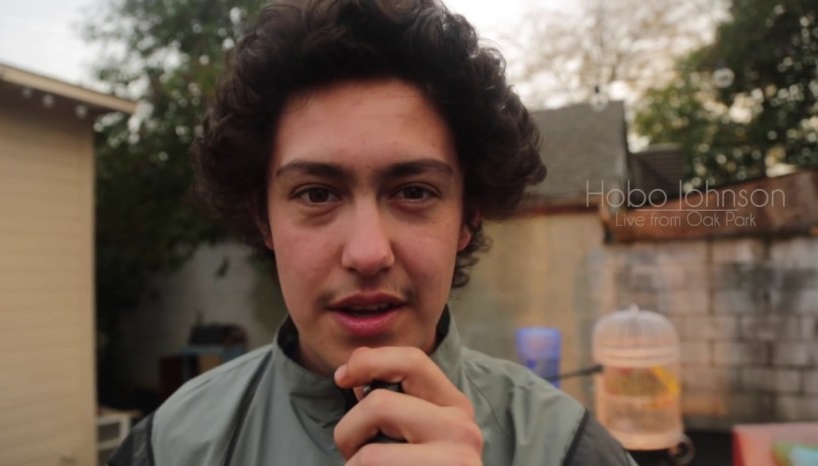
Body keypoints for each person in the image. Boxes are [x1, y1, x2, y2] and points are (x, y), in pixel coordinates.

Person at [109, 0, 637, 464]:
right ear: (264, 219)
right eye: (317, 194)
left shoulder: (569, 450)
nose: (367, 253)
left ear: (469, 216)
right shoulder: (168, 448)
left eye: (414, 192)